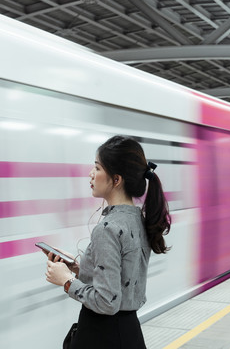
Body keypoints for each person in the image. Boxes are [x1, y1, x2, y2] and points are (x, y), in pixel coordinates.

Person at [43, 135, 171, 348]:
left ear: (116, 179)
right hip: (129, 333)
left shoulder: (108, 228)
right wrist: (77, 268)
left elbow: (106, 301)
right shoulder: (137, 219)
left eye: (98, 168)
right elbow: (121, 279)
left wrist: (66, 281)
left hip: (101, 335)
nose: (91, 174)